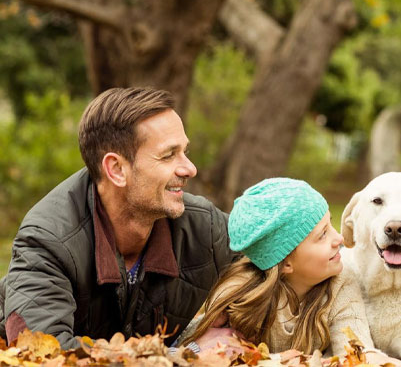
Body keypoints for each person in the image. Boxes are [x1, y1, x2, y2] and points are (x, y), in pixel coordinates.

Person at [0, 87, 236, 348]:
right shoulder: (48, 242)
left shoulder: (205, 226)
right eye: (168, 155)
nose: (190, 168)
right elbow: (42, 356)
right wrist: (186, 352)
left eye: (185, 152)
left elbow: (278, 259)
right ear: (116, 169)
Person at [182, 178, 400, 363]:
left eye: (330, 225)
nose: (339, 239)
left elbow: (355, 354)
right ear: (285, 263)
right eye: (323, 235)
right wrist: (195, 347)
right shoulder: (240, 296)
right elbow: (174, 350)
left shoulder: (341, 284)